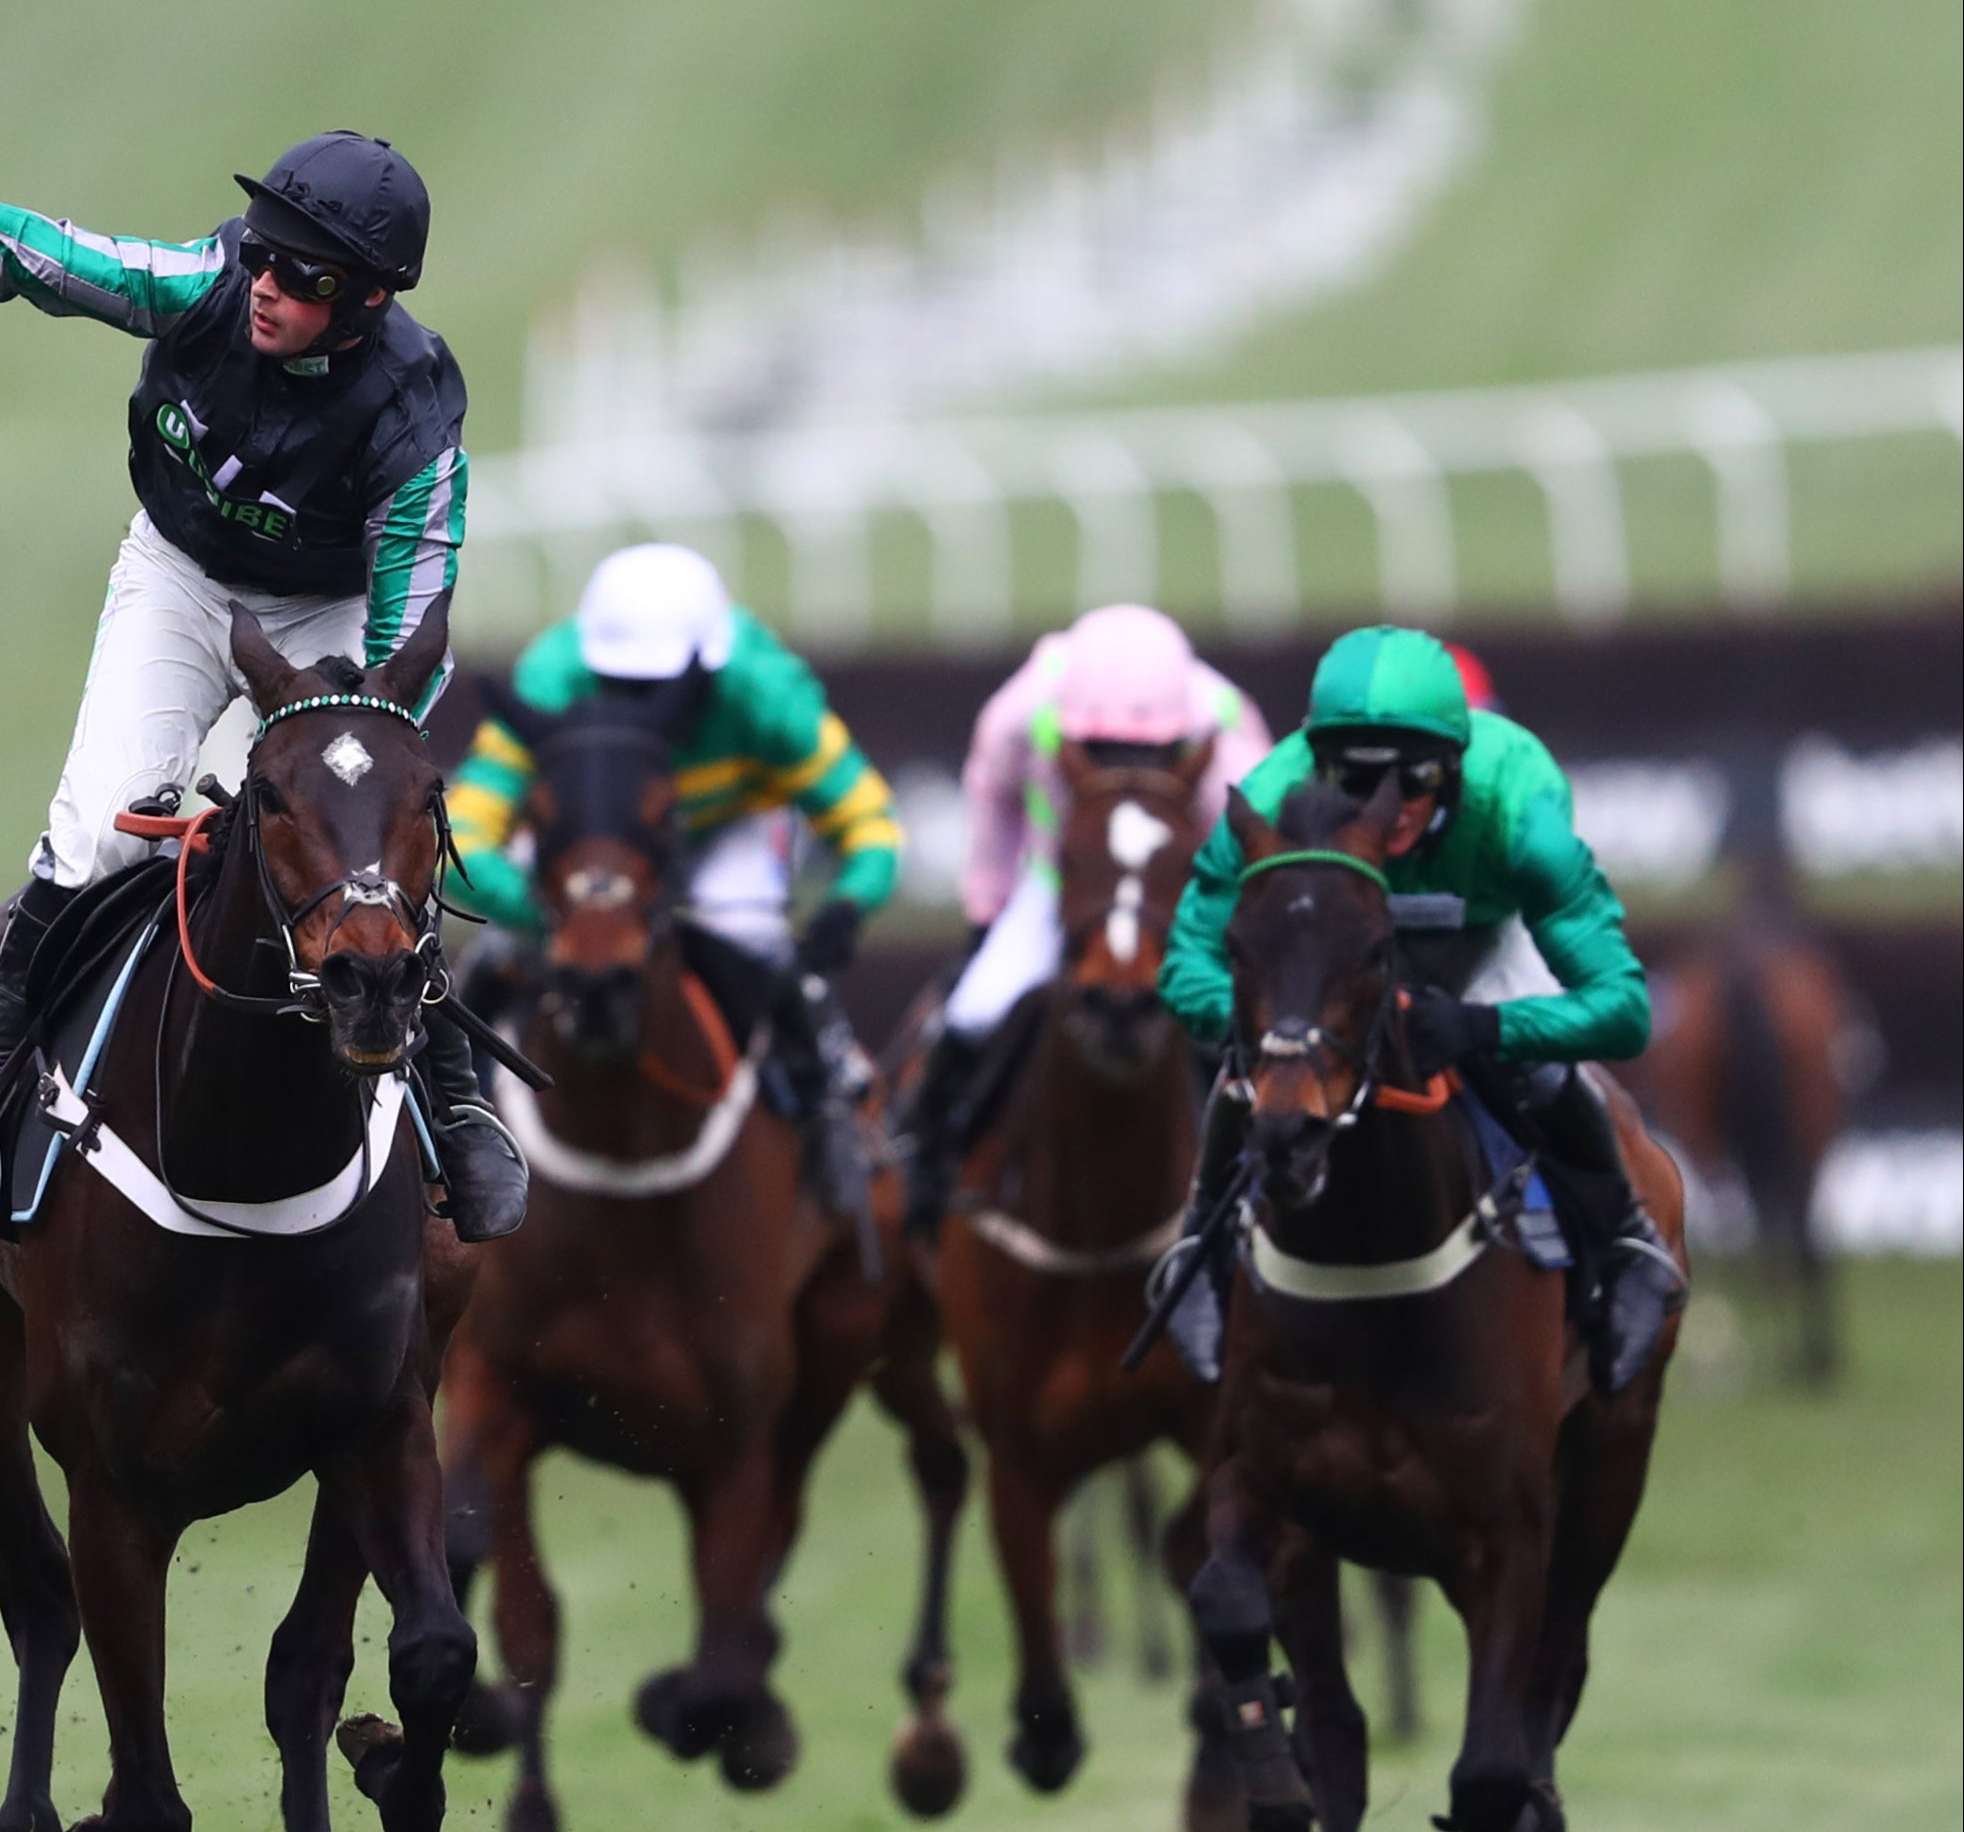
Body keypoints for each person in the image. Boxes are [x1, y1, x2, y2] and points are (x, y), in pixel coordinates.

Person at [0, 112, 522, 1240]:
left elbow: (413, 623)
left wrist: (345, 753)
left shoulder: (416, 410)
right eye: (262, 251)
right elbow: (14, 250)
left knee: (357, 845)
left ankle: (457, 1111)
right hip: (185, 581)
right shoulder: (206, 285)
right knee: (100, 836)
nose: (266, 283)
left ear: (370, 297)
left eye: (303, 272)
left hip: (331, 613)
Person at [1151, 623, 1687, 1392]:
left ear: (1459, 766)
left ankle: (1627, 1244)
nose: (1389, 806)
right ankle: (1199, 1250)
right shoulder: (1270, 800)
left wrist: (1484, 1027)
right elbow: (1186, 969)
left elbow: (1622, 1010)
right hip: (1334, 950)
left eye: (1417, 776)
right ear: (1319, 764)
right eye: (1357, 780)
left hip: (1479, 943)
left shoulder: (1520, 810)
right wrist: (1272, 1033)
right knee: (1262, 1073)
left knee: (1540, 1076)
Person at [444, 542, 899, 1170]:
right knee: (497, 953)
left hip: (724, 830)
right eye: (623, 684)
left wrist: (846, 907)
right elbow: (462, 838)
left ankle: (827, 1095)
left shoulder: (765, 690)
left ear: (712, 668)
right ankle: (451, 1109)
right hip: (595, 849)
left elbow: (868, 822)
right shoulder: (551, 679)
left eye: (664, 689)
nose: (645, 710)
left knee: (753, 937)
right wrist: (546, 911)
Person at [896, 603, 1272, 1226]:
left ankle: (1254, 1183)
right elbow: (993, 798)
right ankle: (928, 1168)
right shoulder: (1019, 715)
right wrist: (988, 908)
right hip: (1059, 884)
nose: (1126, 766)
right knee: (973, 1012)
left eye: (1150, 752)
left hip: (1179, 891)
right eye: (1102, 750)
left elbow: (1250, 859)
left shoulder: (1227, 730)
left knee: (1235, 1020)